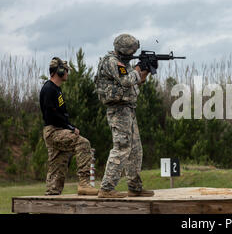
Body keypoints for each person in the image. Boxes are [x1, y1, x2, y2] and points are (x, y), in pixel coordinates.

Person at [95, 34, 155, 198]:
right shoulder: (112, 62)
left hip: (128, 109)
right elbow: (127, 80)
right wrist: (138, 68)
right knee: (121, 147)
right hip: (118, 110)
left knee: (135, 149)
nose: (133, 54)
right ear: (124, 50)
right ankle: (106, 188)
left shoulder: (124, 63)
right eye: (131, 51)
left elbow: (136, 82)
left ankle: (134, 188)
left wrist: (146, 70)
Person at [39, 57, 98, 196]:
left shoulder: (55, 89)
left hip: (56, 129)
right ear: (58, 71)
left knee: (58, 163)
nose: (67, 73)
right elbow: (50, 113)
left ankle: (52, 192)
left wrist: (68, 126)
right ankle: (84, 183)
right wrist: (69, 127)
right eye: (65, 70)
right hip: (54, 131)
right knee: (83, 143)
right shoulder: (49, 89)